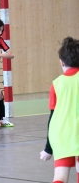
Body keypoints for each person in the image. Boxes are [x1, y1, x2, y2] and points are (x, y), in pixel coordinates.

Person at [39, 37, 79, 183]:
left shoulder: (56, 83)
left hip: (61, 135)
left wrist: (48, 148)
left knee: (60, 177)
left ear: (62, 62)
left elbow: (52, 117)